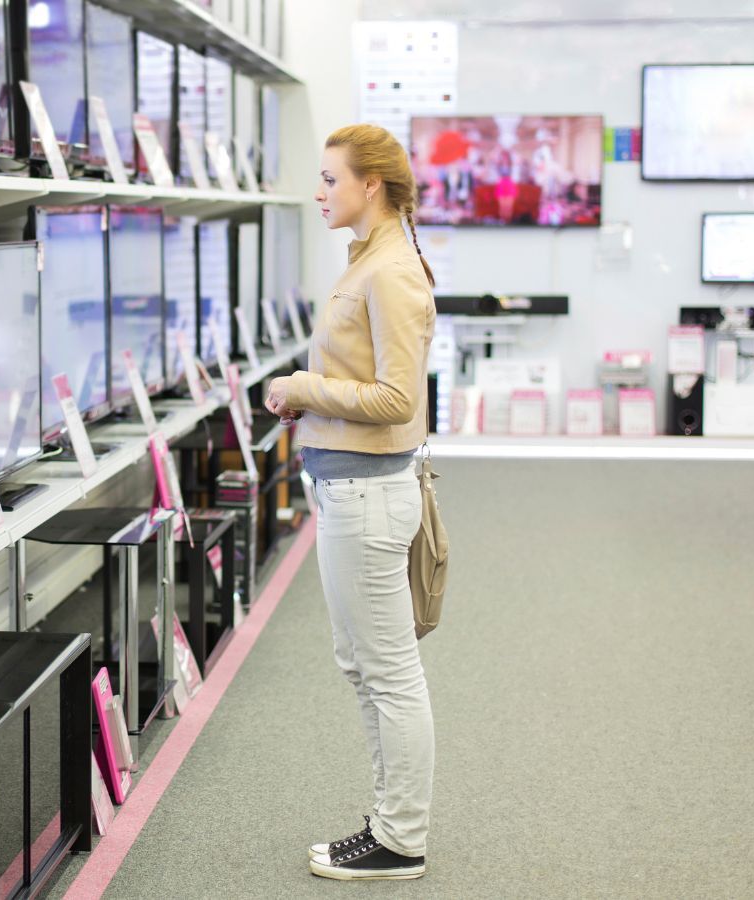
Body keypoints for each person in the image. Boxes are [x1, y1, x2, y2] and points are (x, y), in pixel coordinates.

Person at [262, 124, 438, 882]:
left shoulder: (390, 270)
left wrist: (306, 387)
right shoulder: (370, 259)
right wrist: (314, 404)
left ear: (373, 185)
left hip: (368, 495)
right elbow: (365, 379)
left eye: (331, 179)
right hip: (350, 488)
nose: (319, 192)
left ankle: (401, 838)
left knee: (388, 674)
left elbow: (398, 399)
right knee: (366, 668)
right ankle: (390, 822)